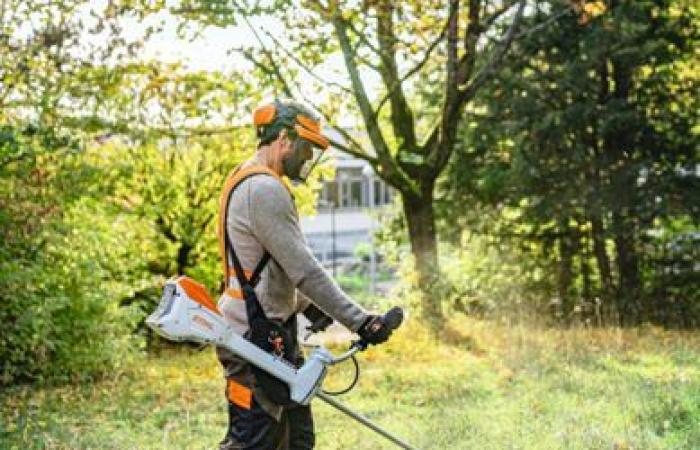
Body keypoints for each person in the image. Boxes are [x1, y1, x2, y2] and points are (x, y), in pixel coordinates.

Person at [216, 99, 396, 449]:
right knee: (254, 442)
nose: (308, 158)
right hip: (254, 340)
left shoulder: (249, 179)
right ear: (284, 138)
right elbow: (304, 269)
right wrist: (361, 322)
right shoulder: (263, 189)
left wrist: (307, 308)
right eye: (306, 148)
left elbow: (265, 269)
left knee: (298, 440)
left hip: (270, 332)